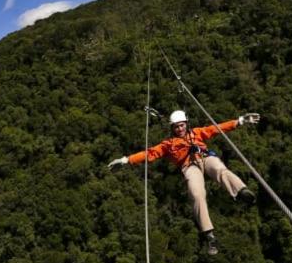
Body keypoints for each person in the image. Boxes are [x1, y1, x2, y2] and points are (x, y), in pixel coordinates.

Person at [108, 109, 260, 255]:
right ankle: (209, 235)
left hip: (205, 158)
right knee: (196, 193)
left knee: (220, 170)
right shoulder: (168, 145)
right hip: (189, 166)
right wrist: (126, 160)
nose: (180, 129)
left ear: (186, 124)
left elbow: (216, 128)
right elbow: (149, 153)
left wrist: (239, 121)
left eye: (182, 125)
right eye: (176, 126)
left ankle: (241, 191)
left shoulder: (196, 133)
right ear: (172, 128)